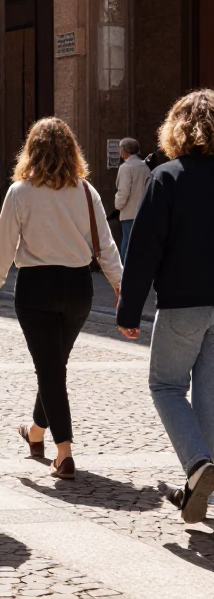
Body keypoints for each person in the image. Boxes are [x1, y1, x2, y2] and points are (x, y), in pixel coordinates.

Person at [0, 117, 121, 481]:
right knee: (54, 365)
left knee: (50, 368)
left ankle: (64, 453)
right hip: (78, 288)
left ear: (32, 149)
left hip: (37, 287)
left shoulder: (21, 191)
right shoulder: (86, 191)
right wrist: (120, 284)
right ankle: (35, 433)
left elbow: (3, 245)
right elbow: (105, 244)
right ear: (71, 150)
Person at [117, 89, 214, 522]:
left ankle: (197, 466)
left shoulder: (169, 177)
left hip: (182, 303)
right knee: (210, 396)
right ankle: (204, 485)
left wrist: (129, 308)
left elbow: (144, 250)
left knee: (167, 387)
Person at [113, 137, 149, 263]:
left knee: (127, 243)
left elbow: (123, 191)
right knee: (141, 244)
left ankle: (125, 273)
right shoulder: (145, 166)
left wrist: (118, 205)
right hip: (143, 211)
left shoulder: (125, 167)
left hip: (129, 212)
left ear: (124, 150)